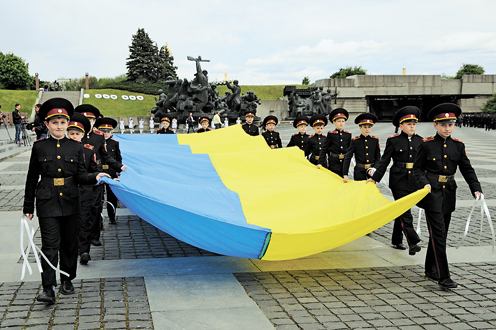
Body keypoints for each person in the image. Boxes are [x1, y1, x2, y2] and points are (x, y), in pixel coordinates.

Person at [23, 98, 111, 303]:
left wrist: (95, 176)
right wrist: (28, 206)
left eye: (63, 122)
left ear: (67, 124)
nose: (59, 126)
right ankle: (48, 287)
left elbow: (81, 175)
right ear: (47, 124)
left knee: (70, 245)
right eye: (55, 122)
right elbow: (31, 178)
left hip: (72, 200)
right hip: (47, 201)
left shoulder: (76, 147)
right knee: (49, 245)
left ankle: (67, 278)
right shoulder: (39, 147)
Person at [413, 103, 482, 289]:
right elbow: (417, 169)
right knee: (439, 235)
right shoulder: (426, 145)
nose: (447, 128)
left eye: (450, 124)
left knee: (439, 234)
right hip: (432, 194)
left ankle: (430, 268)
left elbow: (467, 168)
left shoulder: (458, 146)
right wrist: (424, 182)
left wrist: (476, 187)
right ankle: (444, 276)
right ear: (435, 125)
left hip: (449, 193)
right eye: (443, 125)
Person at [368, 106, 423, 254]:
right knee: (405, 210)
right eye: (408, 124)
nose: (412, 126)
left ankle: (397, 239)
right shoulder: (394, 140)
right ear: (401, 126)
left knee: (402, 208)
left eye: (414, 124)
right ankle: (413, 241)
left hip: (414, 180)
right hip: (398, 180)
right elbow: (384, 161)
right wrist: (374, 179)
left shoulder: (421, 141)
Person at [75, 105, 127, 247]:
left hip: (95, 176)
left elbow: (106, 156)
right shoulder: (73, 135)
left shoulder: (98, 138)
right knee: (80, 211)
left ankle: (94, 236)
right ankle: (81, 240)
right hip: (77, 178)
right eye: (85, 119)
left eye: (91, 120)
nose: (88, 122)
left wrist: (119, 167)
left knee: (95, 207)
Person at [66, 112, 97, 265]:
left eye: (77, 134)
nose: (73, 136)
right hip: (67, 193)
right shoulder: (62, 149)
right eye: (71, 133)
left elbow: (93, 169)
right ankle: (73, 249)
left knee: (84, 221)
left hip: (84, 192)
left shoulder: (89, 150)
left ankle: (84, 251)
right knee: (71, 224)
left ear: (82, 135)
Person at [94, 117, 121, 225]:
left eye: (108, 132)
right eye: (103, 131)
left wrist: (118, 171)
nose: (105, 133)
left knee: (112, 196)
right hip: (99, 171)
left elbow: (118, 158)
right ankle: (98, 217)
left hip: (111, 172)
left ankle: (112, 216)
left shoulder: (114, 143)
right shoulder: (95, 143)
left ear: (112, 132)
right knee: (98, 196)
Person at [343, 113, 380, 182]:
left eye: (369, 127)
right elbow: (348, 158)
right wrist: (345, 174)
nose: (367, 129)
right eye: (365, 127)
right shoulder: (355, 141)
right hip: (359, 172)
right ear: (360, 127)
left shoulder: (374, 140)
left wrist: (374, 168)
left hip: (371, 172)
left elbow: (378, 157)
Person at [318, 108, 352, 177]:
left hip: (344, 162)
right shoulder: (331, 134)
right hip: (333, 161)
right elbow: (324, 149)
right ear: (334, 122)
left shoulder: (348, 134)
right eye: (339, 121)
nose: (341, 123)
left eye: (343, 121)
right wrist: (320, 162)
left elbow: (350, 149)